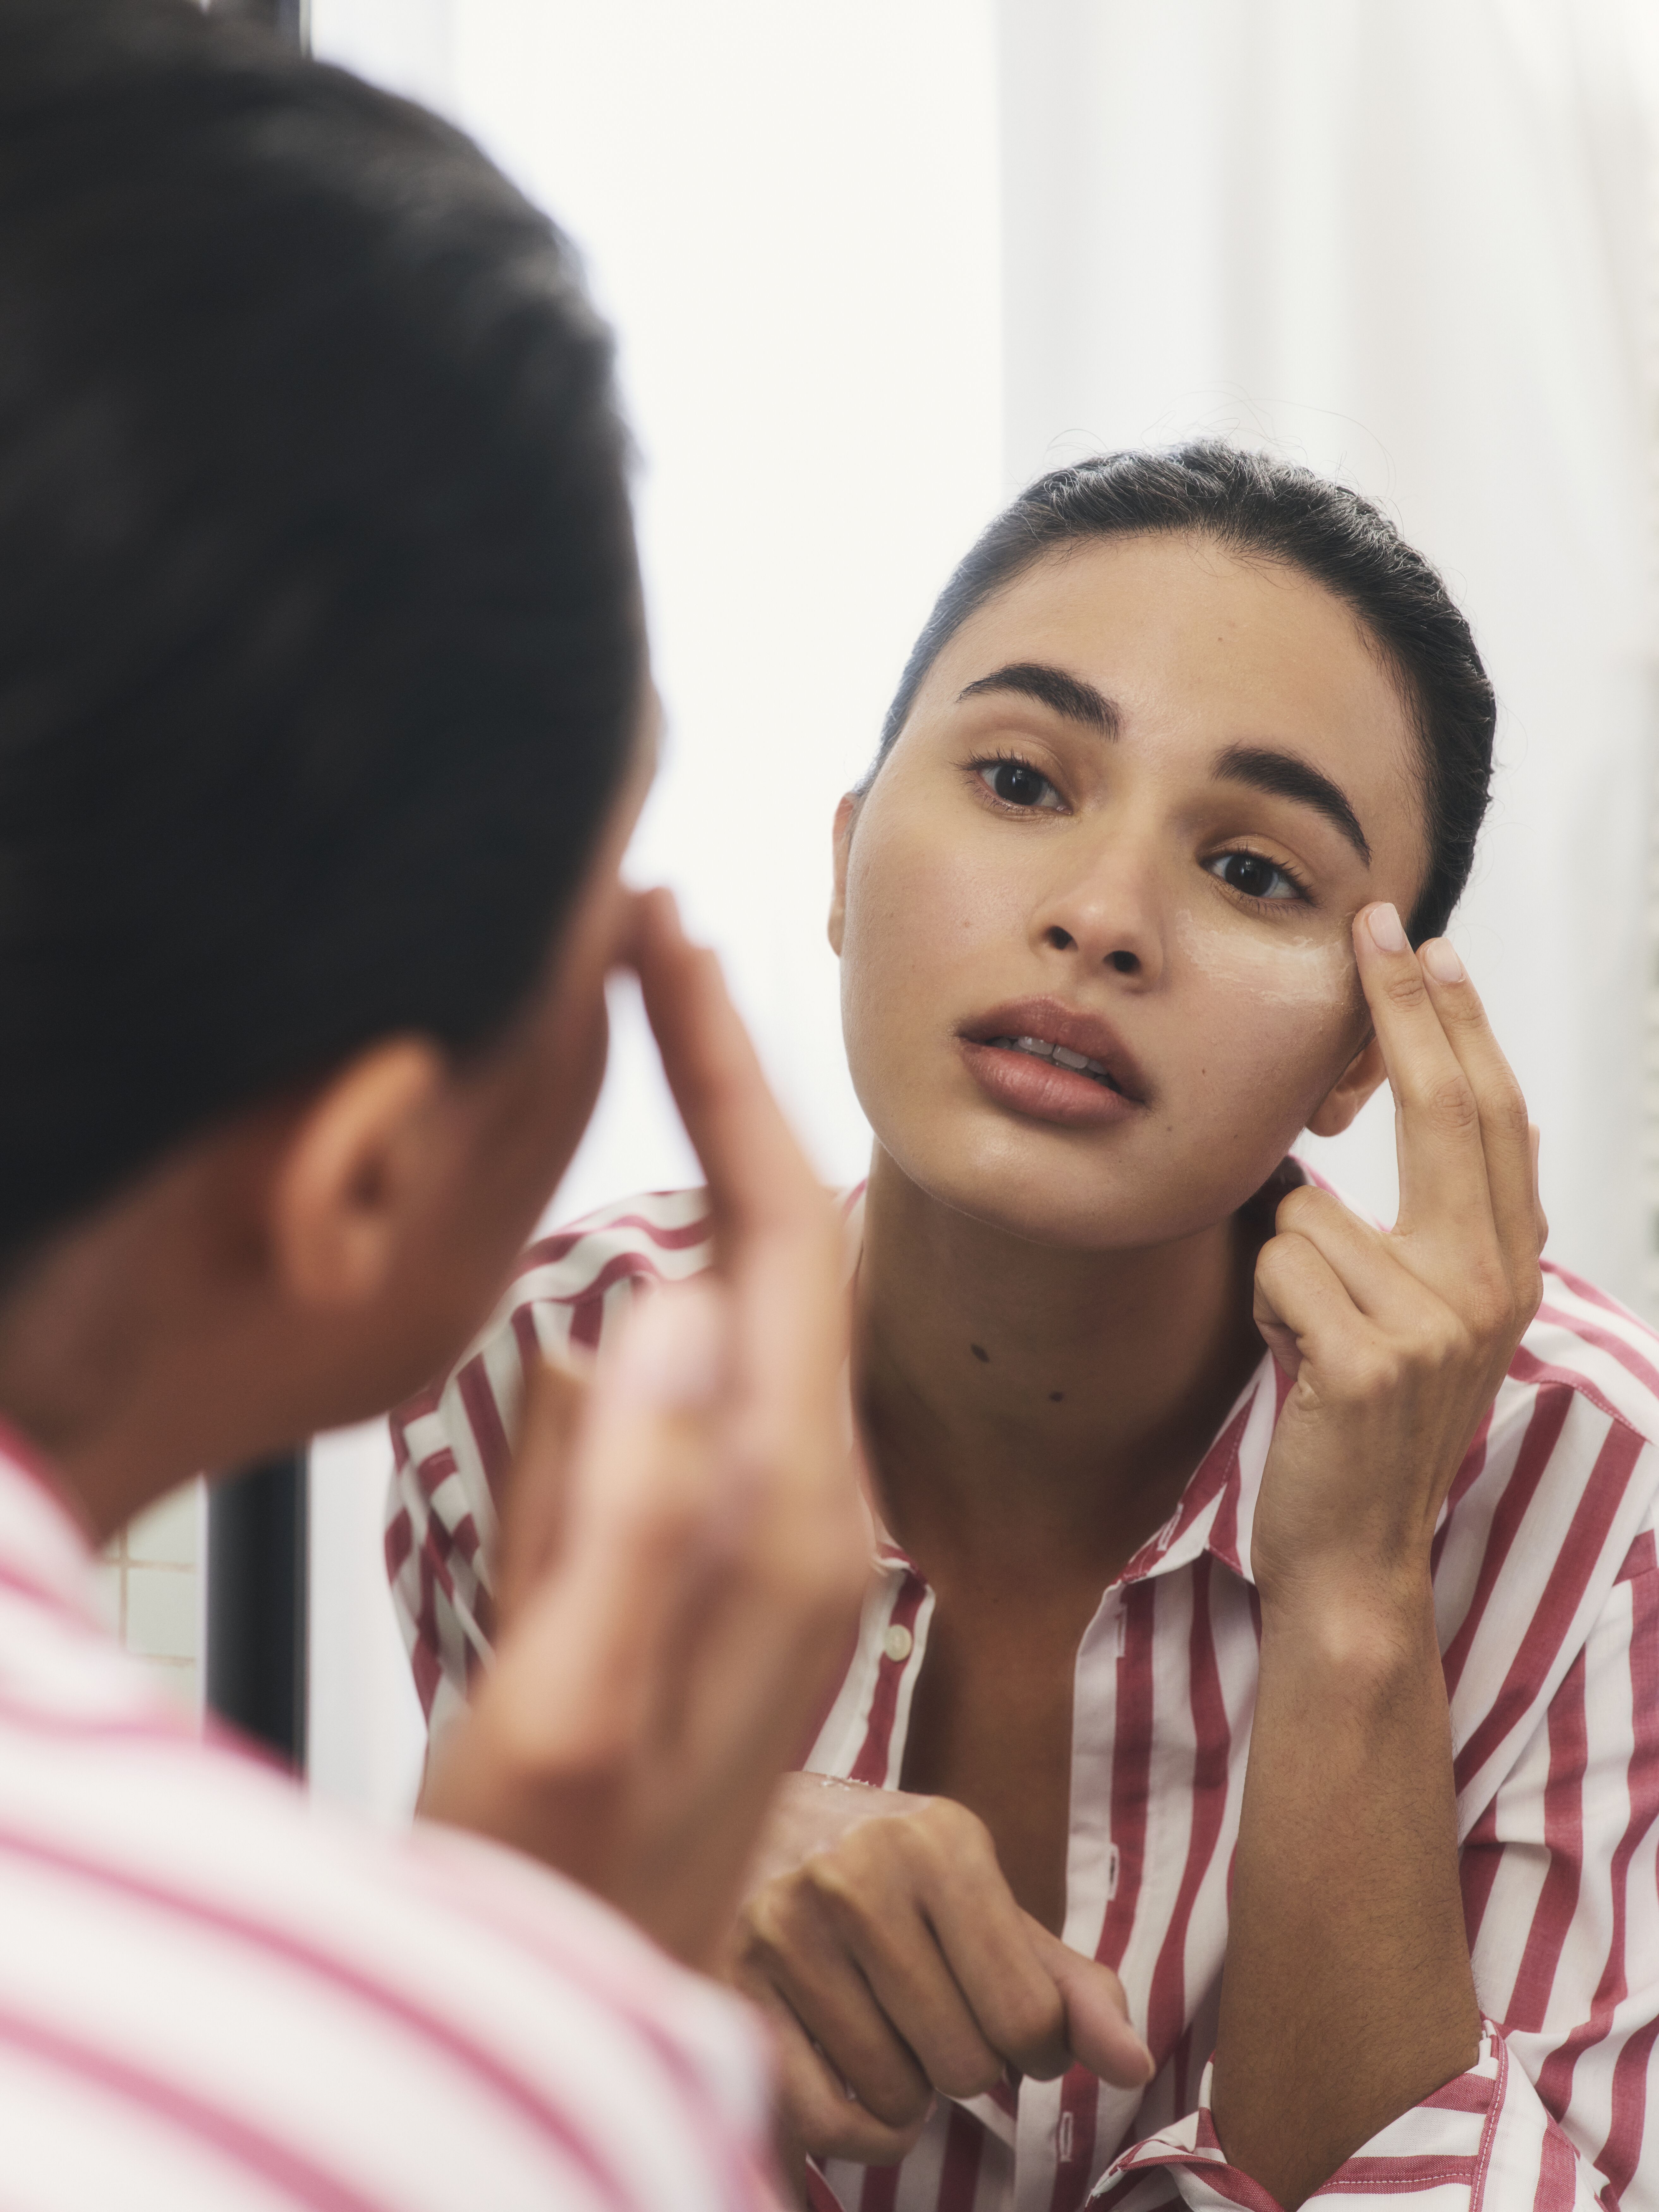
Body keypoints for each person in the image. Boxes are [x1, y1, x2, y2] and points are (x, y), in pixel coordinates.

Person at [391, 443, 1659, 2212]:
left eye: (1253, 871)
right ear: (845, 861)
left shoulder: (1592, 1492)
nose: (1100, 918)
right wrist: (622, 1915)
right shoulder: (552, 1363)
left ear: (1364, 1053)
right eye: (1016, 778)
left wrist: (1358, 1592)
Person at [0, 1, 873, 2204]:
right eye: (610, 900)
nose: (1096, 922)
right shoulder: (452, 2097)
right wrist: (552, 2023)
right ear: (366, 1173)